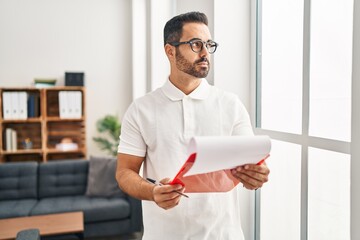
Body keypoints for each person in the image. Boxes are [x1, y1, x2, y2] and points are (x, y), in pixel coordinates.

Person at [116, 11, 270, 240]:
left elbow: (249, 166)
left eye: (209, 44)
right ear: (170, 50)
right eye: (196, 44)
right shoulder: (141, 109)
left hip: (224, 235)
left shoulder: (231, 104)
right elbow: (124, 172)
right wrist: (153, 192)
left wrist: (256, 176)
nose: (206, 53)